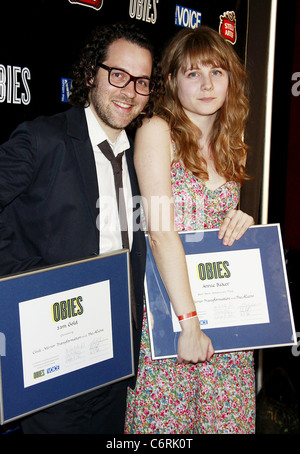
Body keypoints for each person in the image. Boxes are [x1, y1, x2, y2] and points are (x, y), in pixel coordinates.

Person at [0, 22, 159, 434]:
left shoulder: (141, 159)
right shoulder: (42, 140)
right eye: (118, 75)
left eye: (142, 82)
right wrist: (29, 278)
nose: (130, 91)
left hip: (117, 359)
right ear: (91, 74)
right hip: (54, 357)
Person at [125, 26, 255, 434]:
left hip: (224, 312)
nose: (206, 84)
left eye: (216, 72)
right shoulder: (156, 132)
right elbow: (161, 232)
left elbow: (218, 224)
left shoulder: (231, 140)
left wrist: (242, 222)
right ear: (170, 81)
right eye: (192, 73)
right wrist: (190, 323)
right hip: (174, 313)